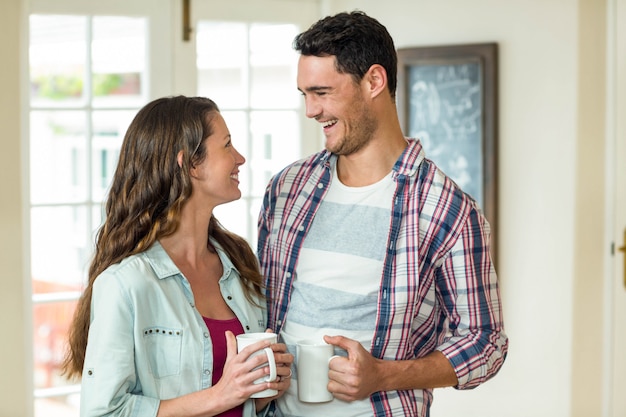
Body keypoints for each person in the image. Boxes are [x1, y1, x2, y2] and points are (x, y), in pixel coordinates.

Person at [257, 11, 508, 417]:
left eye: (322, 92)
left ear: (374, 81)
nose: (310, 110)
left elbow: (486, 344)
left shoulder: (445, 208)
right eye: (304, 94)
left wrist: (383, 376)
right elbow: (262, 308)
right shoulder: (287, 189)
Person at [62, 95, 294, 417]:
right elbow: (105, 411)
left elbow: (241, 398)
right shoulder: (125, 284)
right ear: (190, 164)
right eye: (227, 146)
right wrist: (221, 395)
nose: (239, 158)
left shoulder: (239, 263)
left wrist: (262, 391)